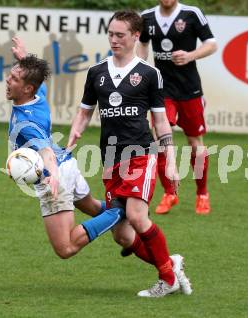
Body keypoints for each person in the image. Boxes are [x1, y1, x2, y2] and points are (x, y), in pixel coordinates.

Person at [67, 10, 192, 297]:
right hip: (110, 158)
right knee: (123, 235)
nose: (114, 39)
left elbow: (160, 121)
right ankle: (170, 266)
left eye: (120, 35)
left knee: (136, 215)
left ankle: (167, 279)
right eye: (110, 34)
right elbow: (84, 113)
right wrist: (74, 135)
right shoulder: (96, 72)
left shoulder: (150, 74)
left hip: (140, 153)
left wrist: (170, 163)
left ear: (136, 36)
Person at [6, 49, 125, 260]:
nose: (8, 80)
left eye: (14, 78)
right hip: (67, 164)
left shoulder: (28, 123)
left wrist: (52, 176)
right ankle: (125, 215)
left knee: (66, 248)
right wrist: (24, 58)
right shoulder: (36, 96)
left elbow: (47, 153)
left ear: (26, 88)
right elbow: (38, 80)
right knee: (93, 207)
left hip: (54, 176)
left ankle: (122, 211)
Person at [137, 0, 217, 214]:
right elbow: (143, 44)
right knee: (160, 140)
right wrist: (141, 66)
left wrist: (191, 55)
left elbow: (212, 43)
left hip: (190, 90)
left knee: (195, 143)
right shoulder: (147, 17)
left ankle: (202, 194)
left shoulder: (192, 14)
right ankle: (170, 193)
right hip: (162, 90)